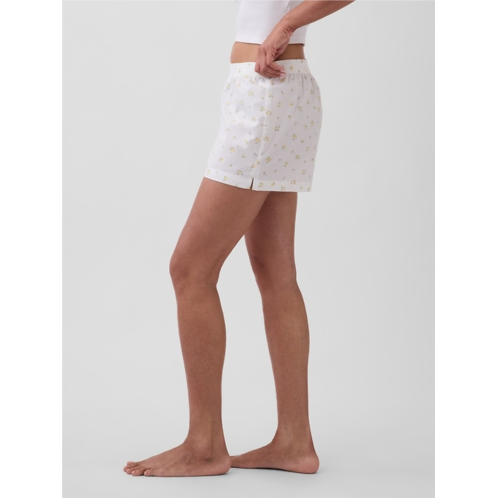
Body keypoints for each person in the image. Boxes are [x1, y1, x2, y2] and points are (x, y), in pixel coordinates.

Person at [124, 0, 356, 478]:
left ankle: (204, 445)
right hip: (278, 89)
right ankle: (294, 442)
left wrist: (287, 24)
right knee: (276, 273)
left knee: (190, 269)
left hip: (265, 94)